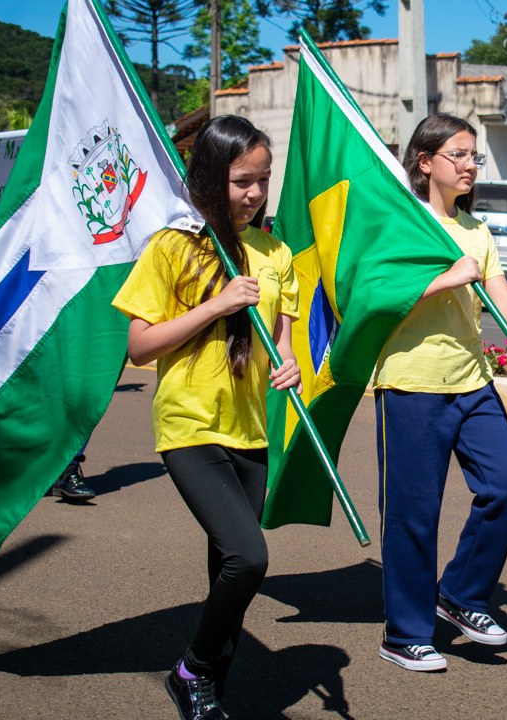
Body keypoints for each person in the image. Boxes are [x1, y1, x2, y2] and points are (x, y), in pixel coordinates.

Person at [112, 115, 301, 719]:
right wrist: (217, 304)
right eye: (243, 180)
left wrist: (290, 365)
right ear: (211, 178)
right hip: (190, 426)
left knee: (229, 568)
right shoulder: (172, 246)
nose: (255, 193)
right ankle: (192, 668)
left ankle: (208, 691)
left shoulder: (276, 252)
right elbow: (140, 347)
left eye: (263, 180)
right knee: (251, 557)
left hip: (251, 430)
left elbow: (283, 339)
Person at [374, 113, 507, 672]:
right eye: (459, 154)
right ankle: (404, 633)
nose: (471, 165)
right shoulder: (401, 223)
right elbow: (376, 293)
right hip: (411, 382)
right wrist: (448, 277)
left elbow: (499, 287)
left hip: (472, 381)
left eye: (475, 155)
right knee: (414, 514)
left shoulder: (476, 231)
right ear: (425, 163)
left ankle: (461, 595)